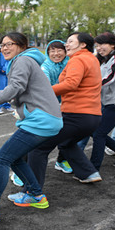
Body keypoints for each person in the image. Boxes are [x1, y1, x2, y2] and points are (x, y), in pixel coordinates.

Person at [0, 32, 63, 223]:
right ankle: (36, 195)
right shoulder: (26, 60)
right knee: (14, 158)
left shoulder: (22, 60)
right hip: (47, 119)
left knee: (1, 159)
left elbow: (16, 87)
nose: (5, 48)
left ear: (22, 46)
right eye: (3, 45)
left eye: (10, 44)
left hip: (41, 121)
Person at [26, 33, 102, 188]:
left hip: (76, 114)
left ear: (83, 45)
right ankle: (88, 172)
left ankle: (32, 190)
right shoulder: (91, 58)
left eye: (70, 42)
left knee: (39, 146)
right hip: (92, 116)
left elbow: (71, 84)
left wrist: (42, 92)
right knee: (66, 142)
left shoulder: (78, 59)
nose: (66, 45)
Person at [79, 33, 115, 170]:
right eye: (96, 46)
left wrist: (87, 88)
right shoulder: (104, 59)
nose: (99, 48)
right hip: (107, 103)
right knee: (95, 131)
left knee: (99, 133)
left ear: (112, 45)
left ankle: (93, 168)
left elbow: (110, 78)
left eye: (102, 45)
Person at [39, 40, 72, 173]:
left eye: (59, 50)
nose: (56, 54)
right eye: (52, 51)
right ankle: (23, 169)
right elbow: (45, 85)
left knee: (68, 135)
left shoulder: (71, 63)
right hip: (47, 104)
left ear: (65, 51)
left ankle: (61, 160)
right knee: (38, 137)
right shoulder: (45, 66)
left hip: (67, 104)